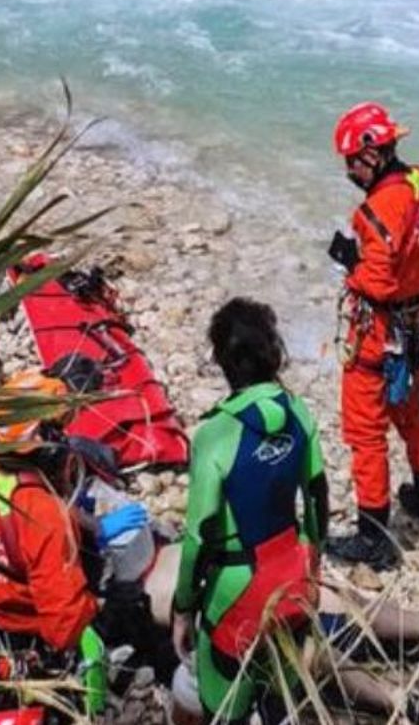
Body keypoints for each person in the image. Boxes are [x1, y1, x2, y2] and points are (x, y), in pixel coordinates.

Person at [171, 298, 329, 724]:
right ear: (273, 352)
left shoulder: (215, 435)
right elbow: (317, 503)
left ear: (223, 361)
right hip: (292, 581)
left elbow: (198, 535)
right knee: (280, 702)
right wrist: (313, 573)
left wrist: (183, 607)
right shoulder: (299, 413)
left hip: (234, 592)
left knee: (225, 708)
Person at [0, 371, 109, 724]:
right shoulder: (45, 516)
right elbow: (63, 626)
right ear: (41, 440)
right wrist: (97, 609)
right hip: (19, 661)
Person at [324, 102, 419, 571]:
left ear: (371, 154)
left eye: (351, 161)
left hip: (381, 329)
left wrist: (349, 261)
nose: (349, 171)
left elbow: (376, 281)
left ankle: (374, 536)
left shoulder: (378, 209)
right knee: (412, 410)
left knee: (365, 430)